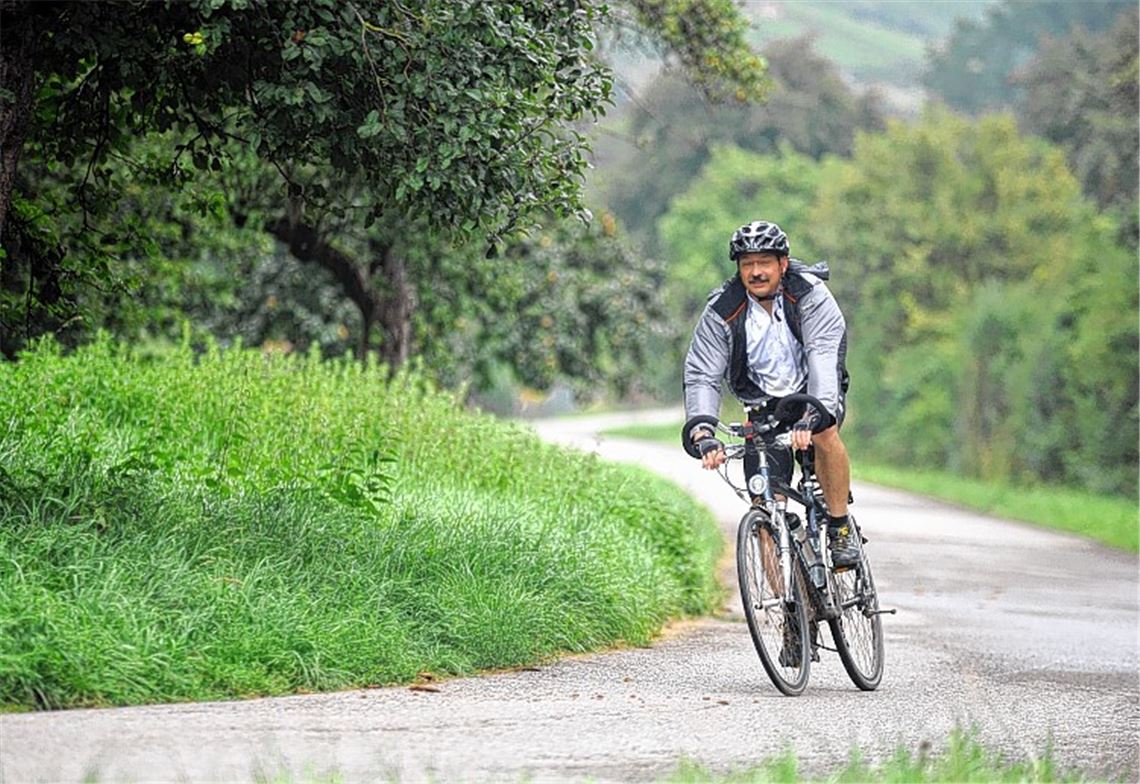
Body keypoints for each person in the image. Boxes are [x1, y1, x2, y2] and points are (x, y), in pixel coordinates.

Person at [681, 219, 860, 568]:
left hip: (812, 395)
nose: (756, 272)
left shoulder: (809, 294)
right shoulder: (723, 310)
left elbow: (824, 355)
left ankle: (839, 529)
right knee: (764, 509)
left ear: (783, 263)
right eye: (747, 264)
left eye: (764, 262)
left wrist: (816, 413)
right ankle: (789, 613)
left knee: (825, 435)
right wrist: (702, 432)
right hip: (763, 407)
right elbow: (703, 373)